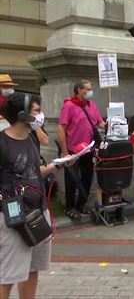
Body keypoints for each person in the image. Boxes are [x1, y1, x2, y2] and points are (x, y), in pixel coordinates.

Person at [0, 93, 70, 299]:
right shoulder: (2, 143)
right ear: (22, 115)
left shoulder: (30, 139)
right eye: (37, 111)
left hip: (38, 213)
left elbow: (32, 170)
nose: (41, 116)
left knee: (32, 269)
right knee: (8, 275)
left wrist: (55, 165)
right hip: (13, 218)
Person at [57, 80, 105, 220]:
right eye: (88, 89)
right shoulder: (69, 106)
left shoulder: (91, 105)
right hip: (73, 150)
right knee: (71, 180)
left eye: (91, 88)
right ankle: (70, 206)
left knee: (87, 178)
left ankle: (81, 205)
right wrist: (65, 152)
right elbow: (61, 129)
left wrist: (115, 124)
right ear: (79, 90)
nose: (91, 92)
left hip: (88, 150)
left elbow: (100, 123)